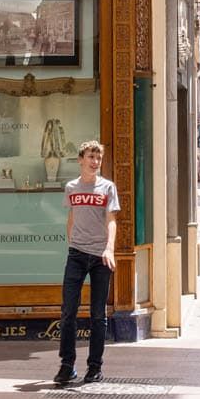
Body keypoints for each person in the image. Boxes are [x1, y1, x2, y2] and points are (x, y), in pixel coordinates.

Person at [54, 140, 120, 386]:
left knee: (97, 315)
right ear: (80, 160)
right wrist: (72, 244)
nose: (95, 162)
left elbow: (111, 220)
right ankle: (66, 365)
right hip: (77, 255)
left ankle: (94, 367)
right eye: (90, 157)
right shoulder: (71, 187)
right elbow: (71, 217)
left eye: (98, 158)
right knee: (68, 311)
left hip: (101, 256)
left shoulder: (108, 187)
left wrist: (109, 249)